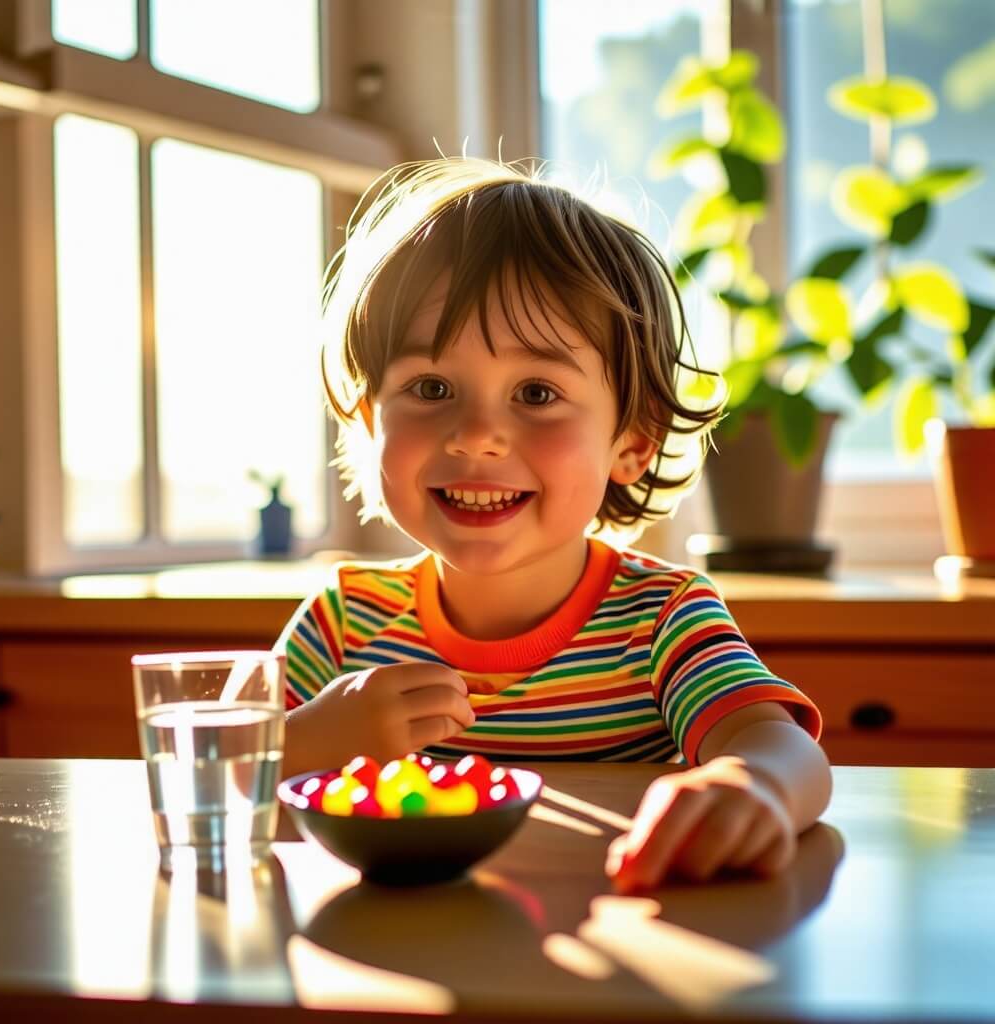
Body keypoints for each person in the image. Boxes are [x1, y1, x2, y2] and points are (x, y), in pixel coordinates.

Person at [276, 157, 832, 894]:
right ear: (371, 419)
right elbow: (208, 768)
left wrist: (750, 786)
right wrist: (307, 742)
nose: (476, 435)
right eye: (430, 387)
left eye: (536, 392)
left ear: (631, 442)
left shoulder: (662, 617)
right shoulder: (342, 622)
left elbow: (783, 748)